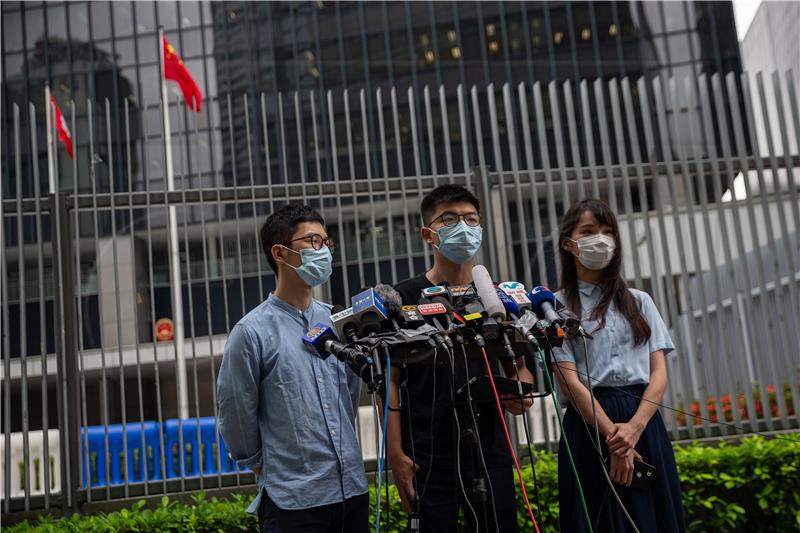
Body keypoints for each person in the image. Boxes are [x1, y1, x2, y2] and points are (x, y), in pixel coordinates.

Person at [388, 184, 535, 533]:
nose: (463, 227)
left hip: (489, 446)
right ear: (428, 234)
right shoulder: (404, 297)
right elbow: (389, 382)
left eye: (471, 219)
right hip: (426, 451)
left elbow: (520, 368)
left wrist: (521, 392)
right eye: (450, 219)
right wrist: (395, 455)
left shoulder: (498, 298)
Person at [217, 204, 368, 533]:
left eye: (326, 242)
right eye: (312, 241)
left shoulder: (338, 320)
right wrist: (258, 463)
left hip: (351, 490)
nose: (323, 250)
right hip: (292, 499)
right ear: (280, 253)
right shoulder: (251, 331)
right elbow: (236, 410)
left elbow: (349, 396)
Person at [552, 198, 685, 532]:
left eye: (608, 231)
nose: (601, 238)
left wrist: (634, 428)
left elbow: (659, 374)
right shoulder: (555, 306)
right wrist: (615, 437)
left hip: (644, 421)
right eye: (589, 231)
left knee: (654, 518)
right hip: (590, 426)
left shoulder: (640, 300)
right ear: (569, 243)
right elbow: (568, 381)